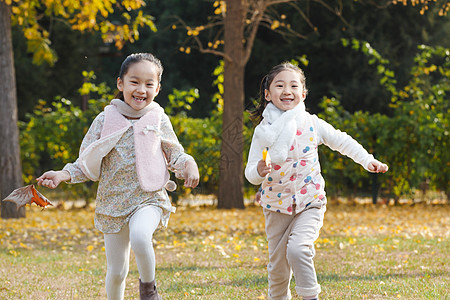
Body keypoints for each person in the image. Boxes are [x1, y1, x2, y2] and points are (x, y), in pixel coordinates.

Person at [37, 53, 199, 300]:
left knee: (141, 235)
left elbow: (175, 153)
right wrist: (62, 174)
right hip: (112, 203)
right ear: (120, 84)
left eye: (149, 84)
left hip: (149, 198)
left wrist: (189, 165)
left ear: (158, 87)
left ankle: (149, 290)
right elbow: (87, 161)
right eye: (134, 82)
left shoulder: (158, 118)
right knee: (116, 272)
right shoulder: (105, 119)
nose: (141, 89)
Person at [245, 62, 388, 300]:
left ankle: (311, 296)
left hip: (310, 201)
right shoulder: (264, 132)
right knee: (278, 270)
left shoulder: (312, 123)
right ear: (268, 94)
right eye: (279, 85)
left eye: (293, 85)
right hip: (276, 207)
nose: (287, 90)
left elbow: (342, 141)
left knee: (299, 250)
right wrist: (259, 170)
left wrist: (367, 160)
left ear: (303, 93)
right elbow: (250, 173)